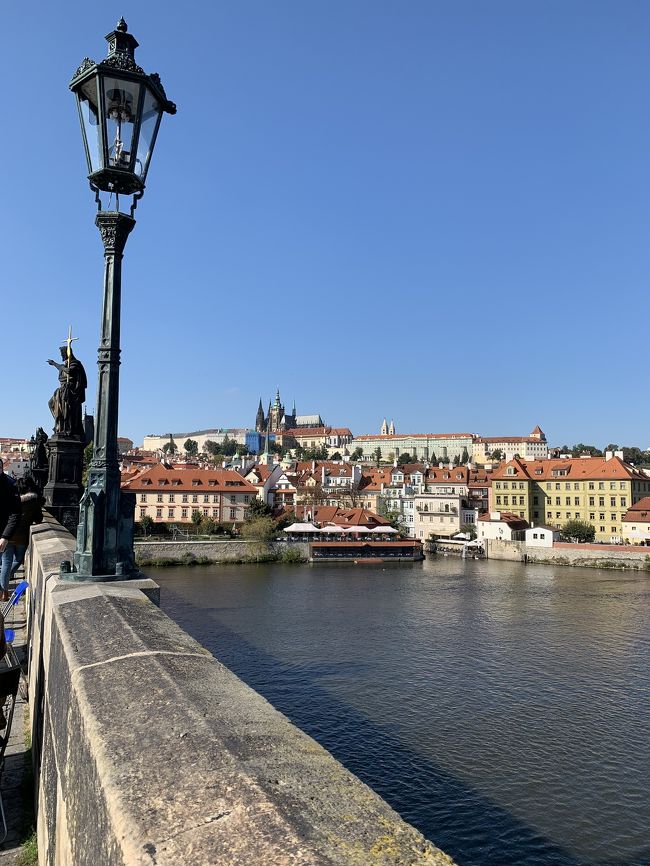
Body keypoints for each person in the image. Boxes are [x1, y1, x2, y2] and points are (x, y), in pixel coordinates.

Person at [0, 476, 43, 601]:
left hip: (7, 534)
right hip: (21, 537)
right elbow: (39, 518)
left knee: (6, 562)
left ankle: (4, 591)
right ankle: (5, 585)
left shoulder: (10, 499)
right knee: (18, 559)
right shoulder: (33, 502)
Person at [47, 346, 87, 437]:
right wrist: (54, 364)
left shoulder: (75, 363)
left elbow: (69, 371)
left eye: (63, 354)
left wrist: (55, 364)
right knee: (50, 404)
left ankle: (67, 428)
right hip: (61, 390)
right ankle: (59, 424)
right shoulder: (65, 365)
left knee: (67, 411)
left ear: (68, 354)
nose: (62, 356)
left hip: (70, 391)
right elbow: (62, 369)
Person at [0, 461, 21, 604]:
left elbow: (15, 513)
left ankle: (3, 591)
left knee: (7, 561)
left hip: (3, 533)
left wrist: (5, 536)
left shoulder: (10, 484)